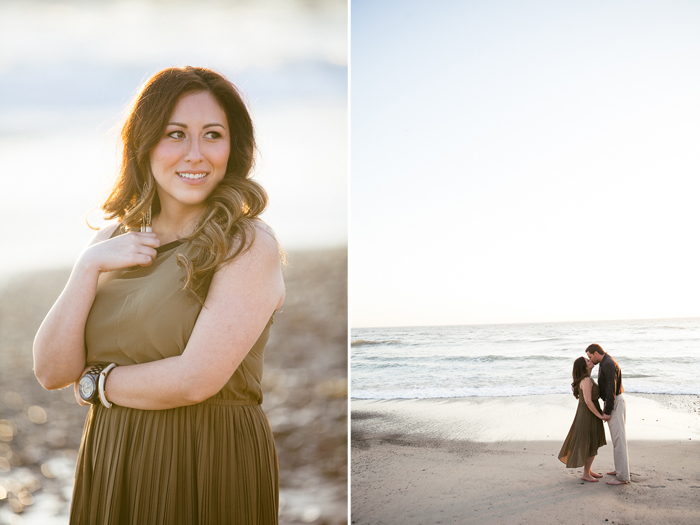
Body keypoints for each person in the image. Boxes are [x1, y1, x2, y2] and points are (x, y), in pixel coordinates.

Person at [33, 66, 285, 524]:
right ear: (144, 143)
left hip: (205, 457)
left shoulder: (247, 243)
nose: (196, 154)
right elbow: (51, 369)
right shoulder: (112, 238)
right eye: (175, 134)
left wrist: (95, 384)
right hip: (112, 456)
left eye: (213, 135)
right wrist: (87, 267)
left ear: (233, 148)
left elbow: (195, 380)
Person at [558, 356, 607, 482]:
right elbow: (588, 402)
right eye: (587, 361)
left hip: (590, 413)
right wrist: (600, 415)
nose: (590, 361)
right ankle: (585, 473)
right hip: (587, 414)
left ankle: (588, 470)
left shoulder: (588, 378)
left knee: (592, 441)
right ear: (584, 366)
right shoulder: (586, 380)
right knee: (589, 441)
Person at [586, 343, 629, 485]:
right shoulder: (605, 362)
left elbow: (611, 388)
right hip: (614, 402)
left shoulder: (608, 364)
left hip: (615, 402)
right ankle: (620, 470)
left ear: (597, 353)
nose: (590, 360)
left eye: (590, 356)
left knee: (619, 440)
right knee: (617, 439)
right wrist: (606, 406)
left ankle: (622, 477)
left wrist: (608, 411)